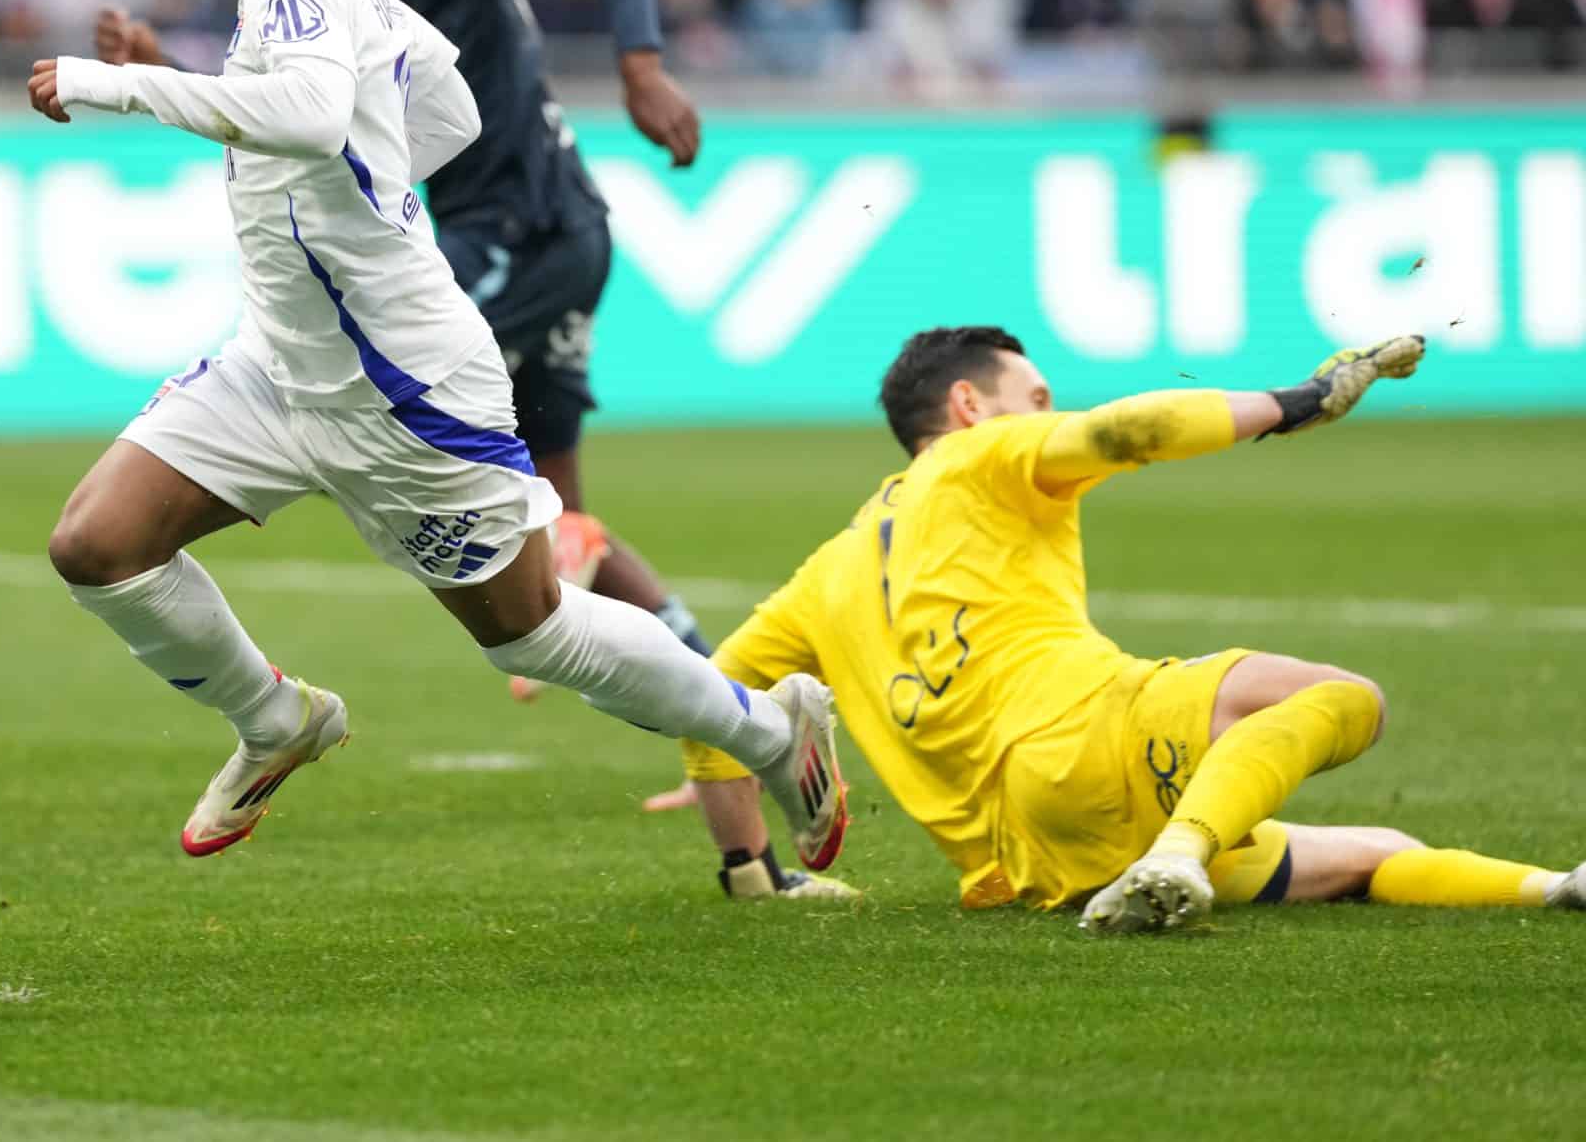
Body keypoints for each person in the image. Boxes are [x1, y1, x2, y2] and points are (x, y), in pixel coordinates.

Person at [23, 0, 847, 874]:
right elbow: (444, 108)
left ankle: (771, 731)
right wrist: (364, 181)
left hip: (402, 392)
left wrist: (120, 88)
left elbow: (310, 113)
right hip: (284, 362)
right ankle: (274, 720)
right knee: (97, 543)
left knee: (533, 634)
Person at [675, 325, 1586, 932]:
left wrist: (751, 866)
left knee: (1376, 855)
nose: (1048, 414)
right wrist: (1300, 401)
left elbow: (707, 697)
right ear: (966, 404)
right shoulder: (983, 451)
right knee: (1345, 697)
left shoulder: (827, 571)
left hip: (1032, 860)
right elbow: (1132, 428)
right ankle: (1183, 851)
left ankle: (1552, 886)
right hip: (1086, 735)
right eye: (1036, 397)